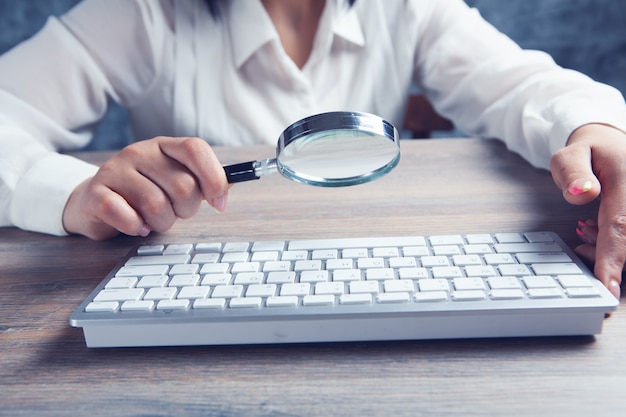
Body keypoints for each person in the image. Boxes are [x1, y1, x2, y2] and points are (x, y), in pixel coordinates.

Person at [0, 0, 624, 298]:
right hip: (204, 291)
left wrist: (597, 130)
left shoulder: (410, 8)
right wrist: (73, 195)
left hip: (375, 288)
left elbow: (526, 86)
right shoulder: (140, 14)